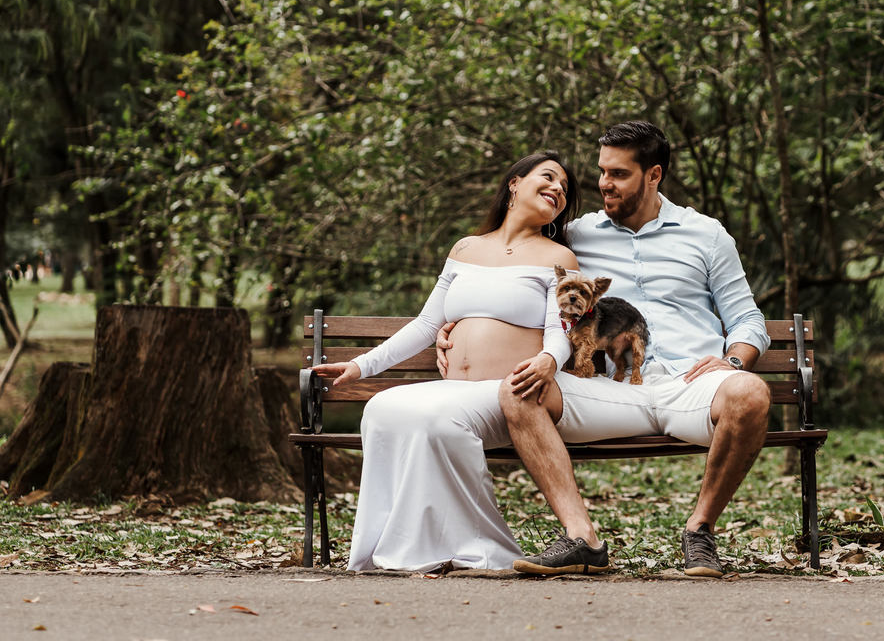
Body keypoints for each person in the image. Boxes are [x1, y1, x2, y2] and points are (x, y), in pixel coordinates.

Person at [440, 120, 772, 577]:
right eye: (601, 171)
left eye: (618, 174)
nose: (602, 183)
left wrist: (733, 361)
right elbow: (513, 275)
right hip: (608, 386)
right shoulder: (575, 236)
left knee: (750, 392)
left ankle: (699, 532)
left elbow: (748, 320)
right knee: (517, 392)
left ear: (653, 175)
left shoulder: (707, 235)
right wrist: (456, 321)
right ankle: (582, 540)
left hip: (690, 383)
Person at [310, 151, 580, 572]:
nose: (558, 190)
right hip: (454, 389)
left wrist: (548, 360)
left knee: (439, 419)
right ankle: (402, 544)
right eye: (548, 177)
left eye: (564, 189)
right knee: (382, 407)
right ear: (514, 183)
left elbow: (559, 332)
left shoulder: (558, 258)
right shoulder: (466, 249)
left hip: (507, 392)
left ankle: (484, 549)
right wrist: (361, 366)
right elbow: (426, 324)